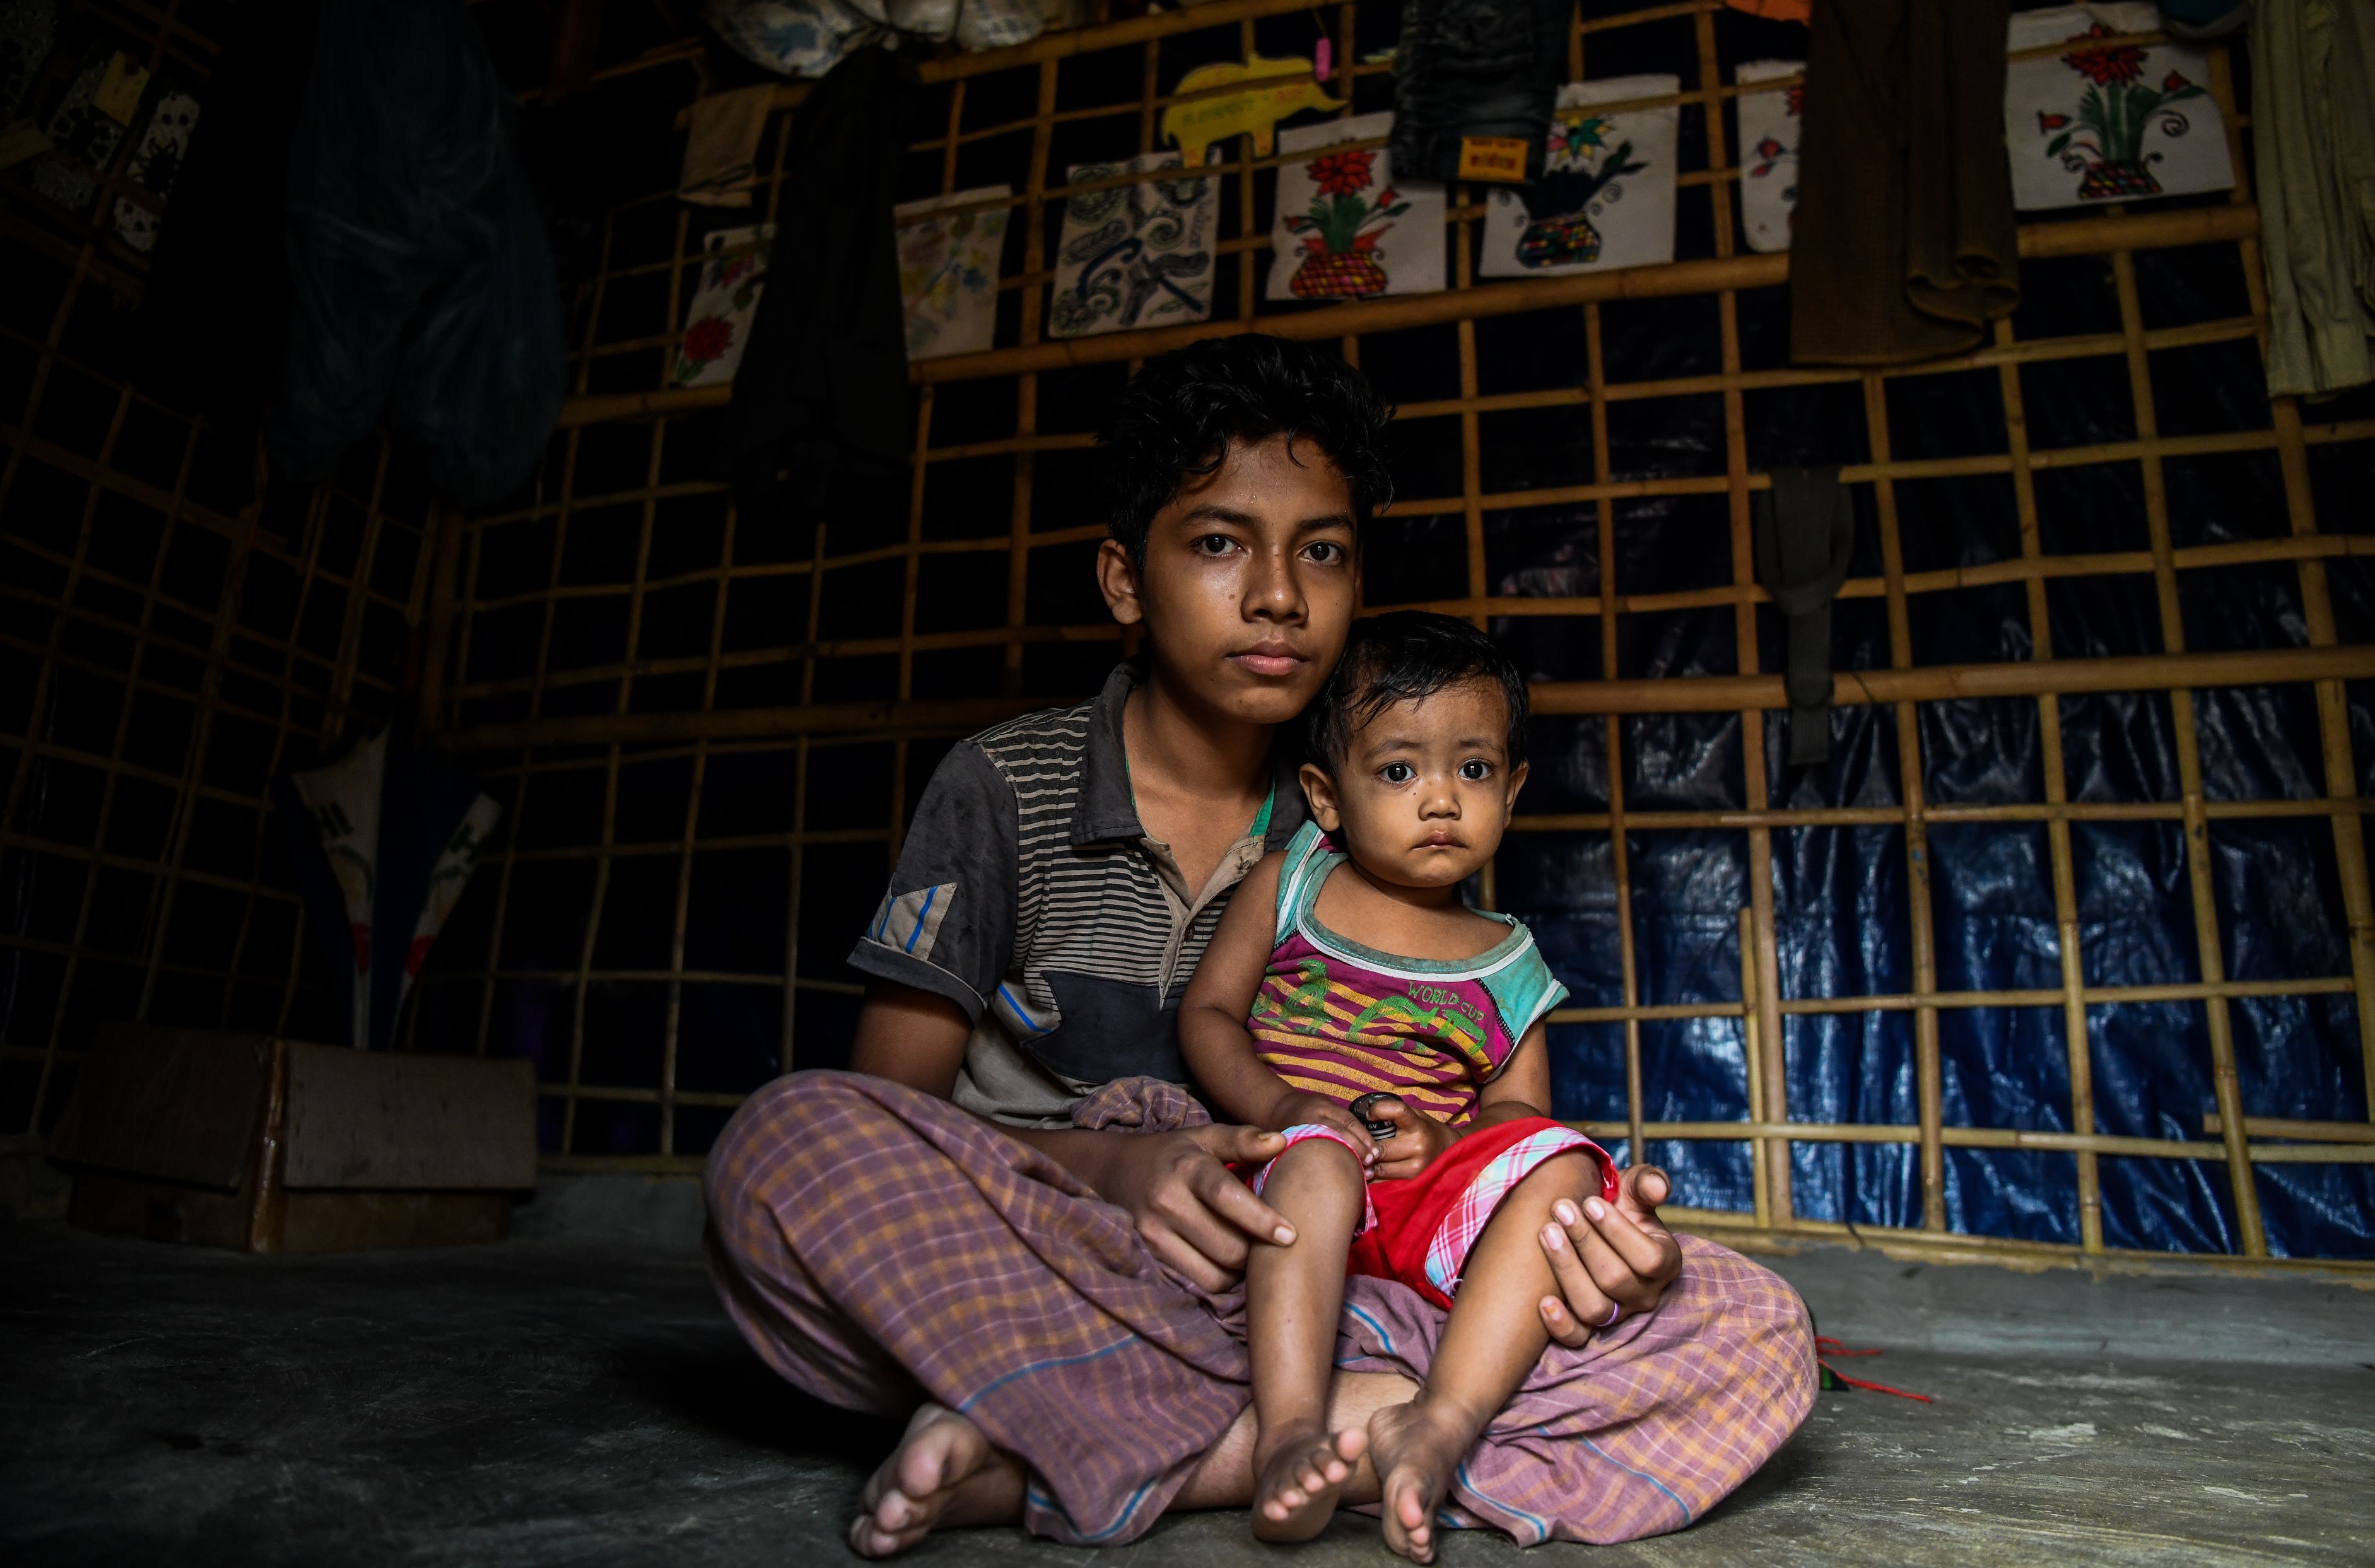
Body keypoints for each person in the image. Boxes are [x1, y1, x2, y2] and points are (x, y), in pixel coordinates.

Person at [701, 335, 1817, 1559]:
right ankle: (1344, 1426)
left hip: (1324, 1282)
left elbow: (1473, 1141)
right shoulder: (1004, 789)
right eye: (1221, 543)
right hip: (1064, 1251)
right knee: (780, 1151)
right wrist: (1122, 1171)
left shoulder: (1370, 819)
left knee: (1750, 1320)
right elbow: (888, 1115)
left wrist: (1591, 1250)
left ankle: (1078, 1444)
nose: (1280, 594)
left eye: (1323, 552)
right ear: (1126, 580)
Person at [1178, 612, 1617, 1560]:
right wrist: (1284, 1109)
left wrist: (1447, 1140)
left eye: (1473, 770)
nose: (1441, 802)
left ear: (1514, 789)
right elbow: (1207, 1017)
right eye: (1398, 771)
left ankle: (1440, 1421)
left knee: (1567, 1167)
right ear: (1325, 797)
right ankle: (1290, 1433)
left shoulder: (1510, 961)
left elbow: (1517, 1117)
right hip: (1291, 1175)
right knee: (1323, 1159)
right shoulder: (1294, 883)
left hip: (1423, 1213)